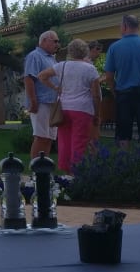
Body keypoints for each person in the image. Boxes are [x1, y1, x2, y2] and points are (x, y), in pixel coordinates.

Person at [39, 39, 101, 172]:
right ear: (85, 51)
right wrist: (97, 114)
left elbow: (42, 76)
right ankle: (77, 171)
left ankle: (65, 170)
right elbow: (96, 95)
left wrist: (56, 88)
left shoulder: (61, 66)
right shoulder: (90, 69)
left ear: (70, 51)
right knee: (79, 141)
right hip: (83, 109)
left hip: (64, 108)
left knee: (64, 141)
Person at [102, 14, 140, 142]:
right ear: (137, 27)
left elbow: (109, 76)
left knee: (123, 134)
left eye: (120, 25)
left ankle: (124, 154)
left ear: (125, 26)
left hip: (124, 94)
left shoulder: (114, 47)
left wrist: (115, 91)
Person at [24, 30, 62, 159]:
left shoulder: (52, 58)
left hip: (52, 103)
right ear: (44, 41)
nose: (57, 44)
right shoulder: (34, 56)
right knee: (41, 137)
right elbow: (29, 79)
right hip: (41, 102)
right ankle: (35, 167)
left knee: (49, 137)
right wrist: (33, 101)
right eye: (55, 41)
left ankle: (44, 166)